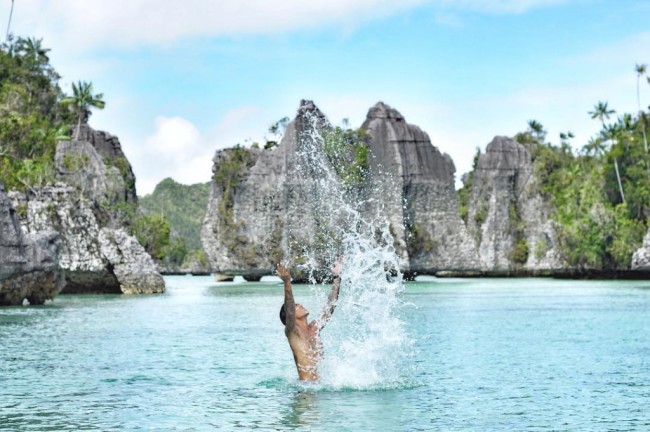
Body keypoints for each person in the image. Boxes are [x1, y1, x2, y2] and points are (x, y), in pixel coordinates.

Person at [276, 258, 343, 381]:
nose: (299, 305)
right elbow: (289, 308)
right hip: (305, 393)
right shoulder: (292, 332)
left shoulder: (314, 329)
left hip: (320, 390)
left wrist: (337, 277)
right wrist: (287, 282)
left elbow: (330, 305)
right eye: (296, 306)